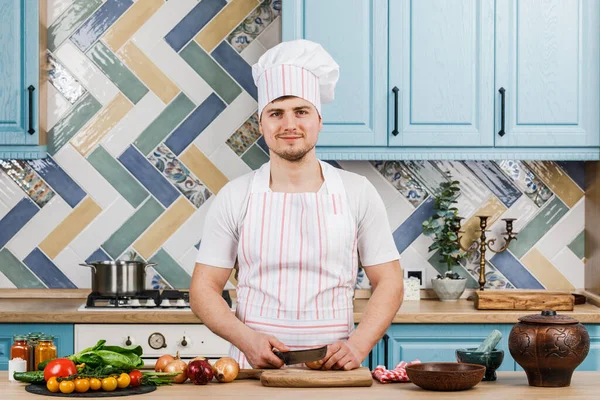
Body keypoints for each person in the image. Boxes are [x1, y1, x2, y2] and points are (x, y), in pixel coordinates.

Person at [190, 39, 403, 371]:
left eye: (301, 112)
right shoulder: (235, 196)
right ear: (261, 125)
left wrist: (358, 346)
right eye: (276, 113)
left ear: (319, 120)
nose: (289, 124)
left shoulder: (357, 192)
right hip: (254, 374)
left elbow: (389, 280)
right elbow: (203, 288)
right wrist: (246, 339)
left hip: (334, 371)